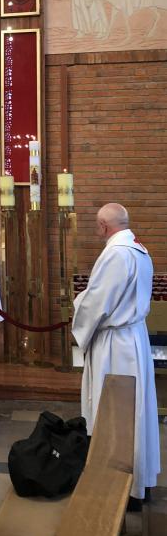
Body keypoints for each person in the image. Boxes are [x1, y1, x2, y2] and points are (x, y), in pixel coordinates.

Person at [72, 203, 160, 507]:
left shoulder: (116, 254)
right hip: (134, 337)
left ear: (103, 226)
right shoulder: (139, 248)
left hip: (116, 344)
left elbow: (98, 302)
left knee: (115, 413)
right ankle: (139, 481)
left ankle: (119, 486)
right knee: (136, 410)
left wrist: (78, 308)